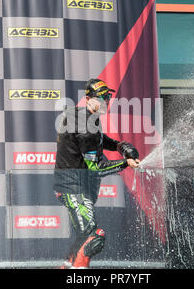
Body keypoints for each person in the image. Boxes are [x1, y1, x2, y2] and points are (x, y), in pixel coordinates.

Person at [53, 78, 140, 269]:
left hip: (77, 185)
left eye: (108, 97)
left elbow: (99, 140)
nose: (106, 101)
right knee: (93, 237)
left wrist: (119, 146)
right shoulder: (85, 124)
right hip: (72, 187)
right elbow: (97, 168)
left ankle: (67, 266)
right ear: (88, 99)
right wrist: (126, 163)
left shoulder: (85, 118)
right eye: (102, 98)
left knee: (85, 236)